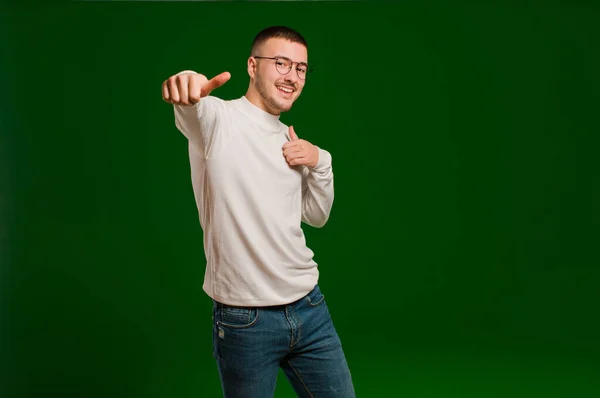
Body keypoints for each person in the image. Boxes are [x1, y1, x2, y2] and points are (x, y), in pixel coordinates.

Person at [161, 26, 355, 397]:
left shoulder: (290, 139)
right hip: (245, 320)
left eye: (300, 68)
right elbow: (191, 104)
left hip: (310, 307)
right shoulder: (217, 119)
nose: (292, 76)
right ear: (252, 66)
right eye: (281, 63)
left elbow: (316, 215)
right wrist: (186, 86)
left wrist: (320, 162)